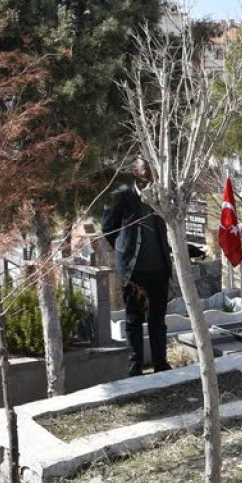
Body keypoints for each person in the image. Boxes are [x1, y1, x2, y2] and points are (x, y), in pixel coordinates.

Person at [102, 160, 172, 376]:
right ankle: (135, 366)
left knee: (158, 320)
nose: (151, 174)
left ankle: (161, 363)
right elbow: (108, 229)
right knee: (134, 320)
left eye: (153, 170)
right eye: (147, 170)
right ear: (136, 172)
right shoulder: (121, 195)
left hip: (159, 268)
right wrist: (125, 249)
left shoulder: (159, 194)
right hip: (134, 271)